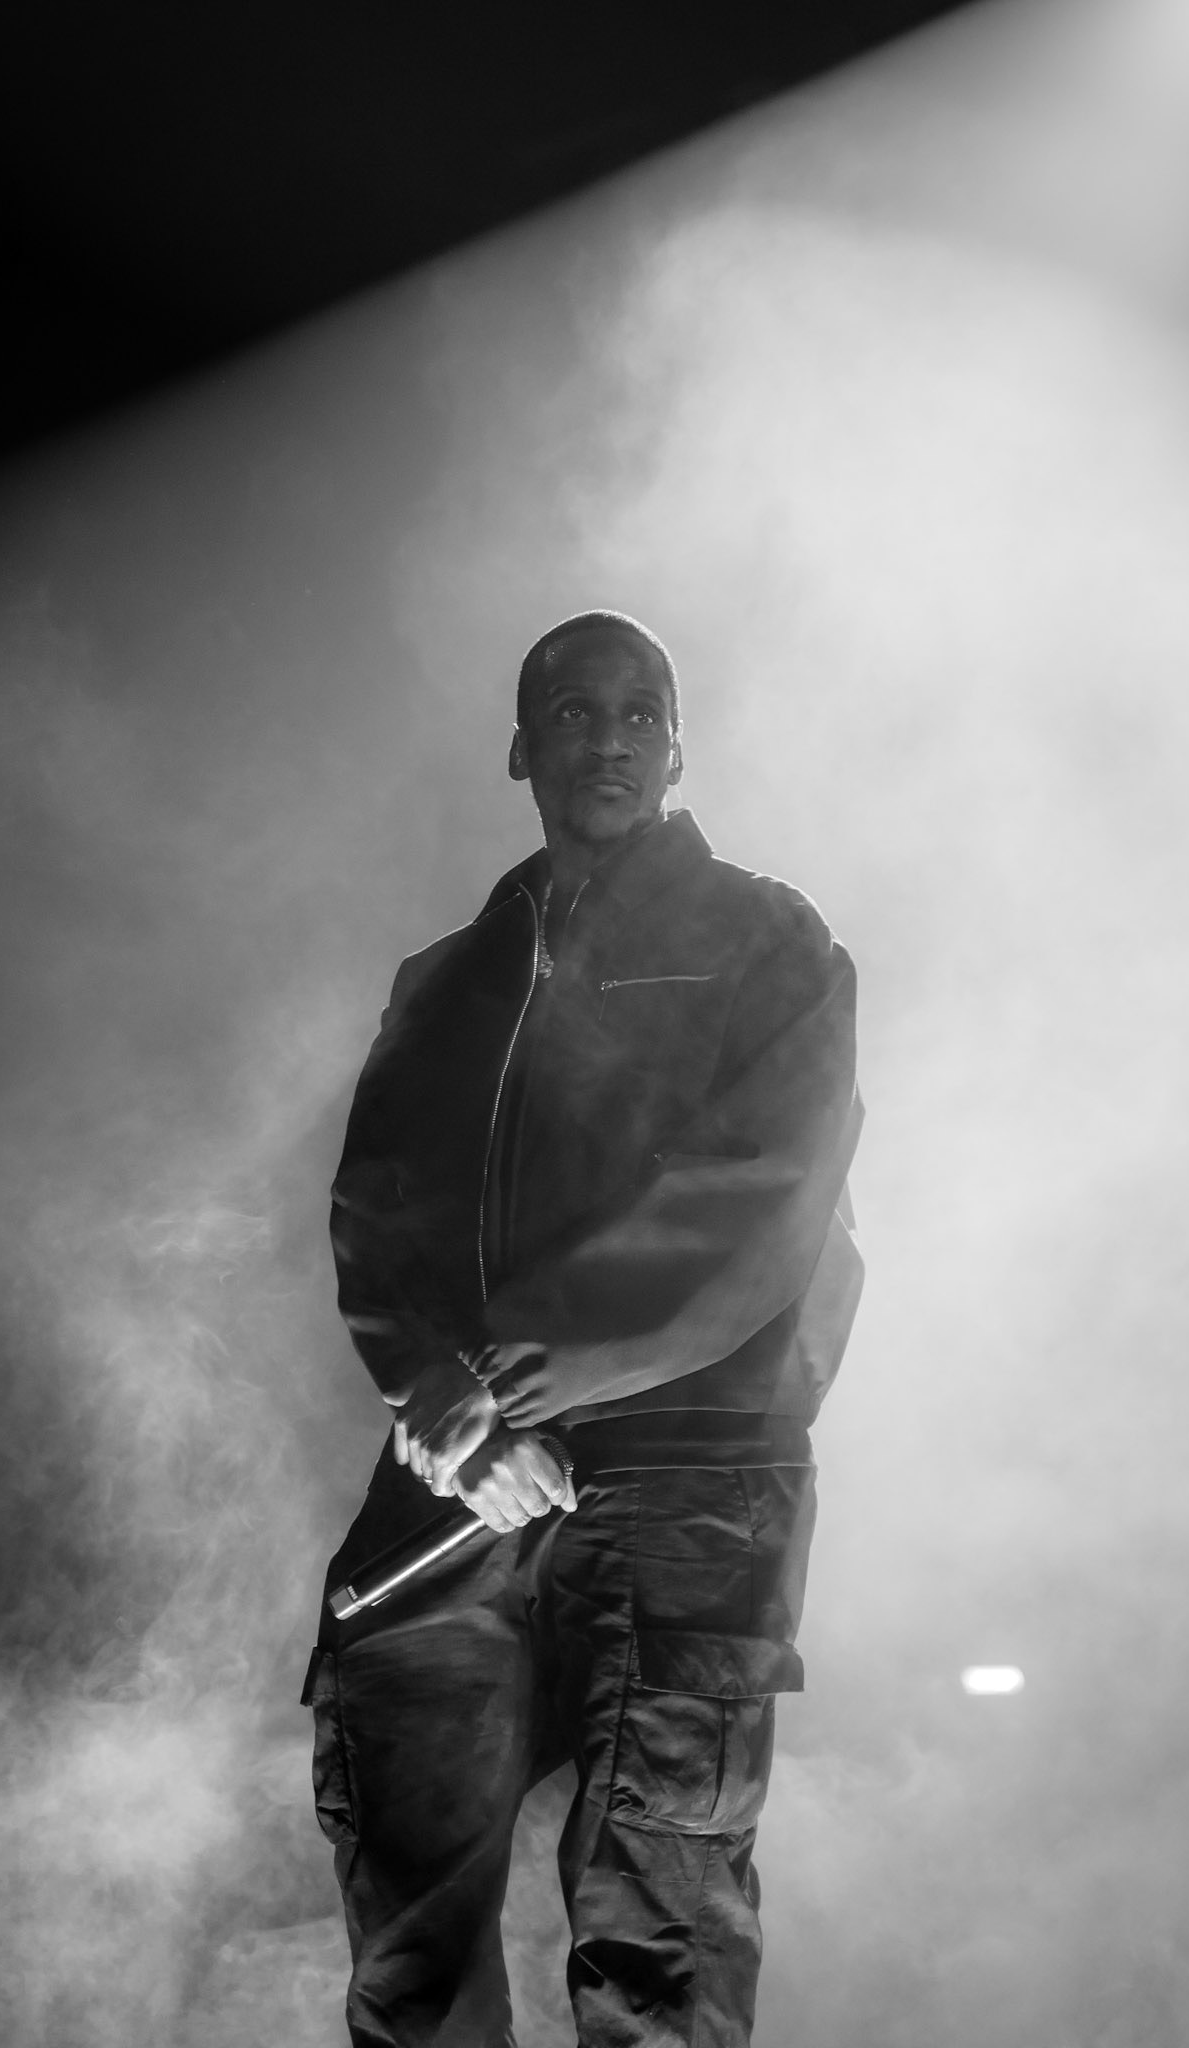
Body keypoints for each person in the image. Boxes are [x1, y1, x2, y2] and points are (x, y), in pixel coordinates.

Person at [304, 611, 864, 2046]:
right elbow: (378, 1212)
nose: (607, 739)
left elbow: (761, 1199)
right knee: (407, 1936)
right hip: (458, 1483)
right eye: (571, 711)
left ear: (676, 750)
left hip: (685, 1478)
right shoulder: (445, 983)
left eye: (638, 713)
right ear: (520, 748)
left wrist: (498, 1386)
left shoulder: (769, 941)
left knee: (655, 1938)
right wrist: (434, 1393)